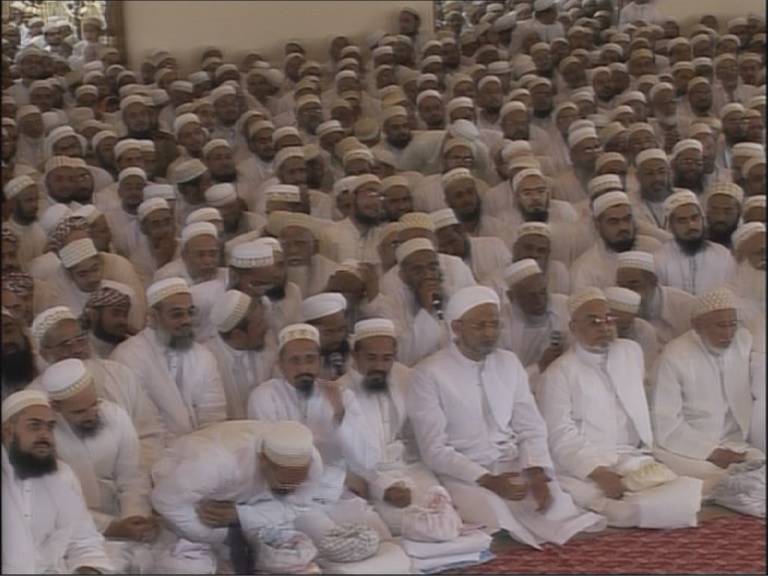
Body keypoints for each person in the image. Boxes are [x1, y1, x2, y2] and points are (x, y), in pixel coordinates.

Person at [408, 285, 606, 548]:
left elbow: (531, 426)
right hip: (465, 473)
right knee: (499, 519)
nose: (490, 333)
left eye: (494, 324)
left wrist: (536, 472)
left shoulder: (509, 362)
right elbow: (434, 449)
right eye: (480, 326)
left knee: (557, 508)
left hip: (513, 465)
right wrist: (488, 480)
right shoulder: (428, 373)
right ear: (457, 328)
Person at [539, 288, 702, 529]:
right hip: (586, 466)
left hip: (631, 457)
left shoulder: (630, 352)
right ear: (573, 328)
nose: (604, 327)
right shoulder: (558, 373)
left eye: (608, 319)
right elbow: (559, 434)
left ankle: (640, 509)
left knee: (684, 495)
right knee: (633, 506)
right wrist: (598, 472)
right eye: (594, 322)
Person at [41, 359, 162, 573]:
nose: (91, 414)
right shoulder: (45, 439)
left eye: (94, 404)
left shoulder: (115, 416)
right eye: (79, 411)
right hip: (73, 533)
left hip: (122, 517)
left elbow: (132, 477)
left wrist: (135, 518)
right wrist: (110, 527)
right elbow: (56, 505)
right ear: (56, 408)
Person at [651, 287, 765, 503]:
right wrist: (712, 452)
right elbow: (666, 423)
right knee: (715, 473)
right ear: (697, 326)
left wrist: (731, 453)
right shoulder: (675, 355)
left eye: (733, 324)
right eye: (720, 326)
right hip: (687, 448)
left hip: (734, 444)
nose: (728, 333)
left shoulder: (743, 341)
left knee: (758, 461)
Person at [248, 323, 380, 503]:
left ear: (320, 362)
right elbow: (278, 466)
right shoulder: (264, 397)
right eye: (295, 361)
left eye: (310, 359)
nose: (303, 368)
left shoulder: (341, 395)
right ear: (280, 365)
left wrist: (341, 415)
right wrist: (341, 479)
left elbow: (367, 458)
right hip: (289, 499)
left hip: (341, 495)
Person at [339, 318, 441, 533]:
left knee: (443, 512)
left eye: (387, 358)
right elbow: (344, 458)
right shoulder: (339, 393)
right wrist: (382, 486)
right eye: (371, 358)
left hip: (411, 468)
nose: (379, 366)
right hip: (371, 477)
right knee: (418, 526)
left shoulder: (405, 377)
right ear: (355, 355)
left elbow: (418, 435)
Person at [2, 389, 113, 574]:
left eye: (50, 427)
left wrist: (88, 569)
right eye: (34, 426)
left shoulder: (62, 476)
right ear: (8, 431)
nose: (45, 435)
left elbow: (84, 541)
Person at [110, 277, 226, 439]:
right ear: (153, 317)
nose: (187, 320)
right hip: (152, 449)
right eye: (177, 314)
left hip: (203, 446)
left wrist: (205, 447)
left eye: (190, 312)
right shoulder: (128, 357)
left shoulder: (203, 355)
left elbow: (213, 414)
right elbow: (144, 423)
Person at [497, 259, 570, 399]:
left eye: (543, 292)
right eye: (530, 296)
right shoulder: (501, 325)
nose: (540, 301)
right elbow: (505, 383)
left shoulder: (564, 306)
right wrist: (540, 366)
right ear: (511, 297)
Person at [206, 290, 277, 420]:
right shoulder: (207, 362)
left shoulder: (268, 344)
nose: (266, 326)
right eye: (259, 324)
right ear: (238, 335)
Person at [571, 191, 659, 291]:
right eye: (613, 222)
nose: (623, 227)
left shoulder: (653, 248)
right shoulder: (584, 268)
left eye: (627, 219)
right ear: (597, 225)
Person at [654, 189, 737, 295]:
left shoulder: (723, 255)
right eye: (682, 220)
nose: (691, 225)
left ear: (703, 219)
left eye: (695, 218)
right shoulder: (660, 259)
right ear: (671, 226)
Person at [604, 286, 660, 375]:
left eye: (623, 327)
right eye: (612, 322)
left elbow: (646, 371)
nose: (615, 329)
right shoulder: (591, 330)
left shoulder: (644, 330)